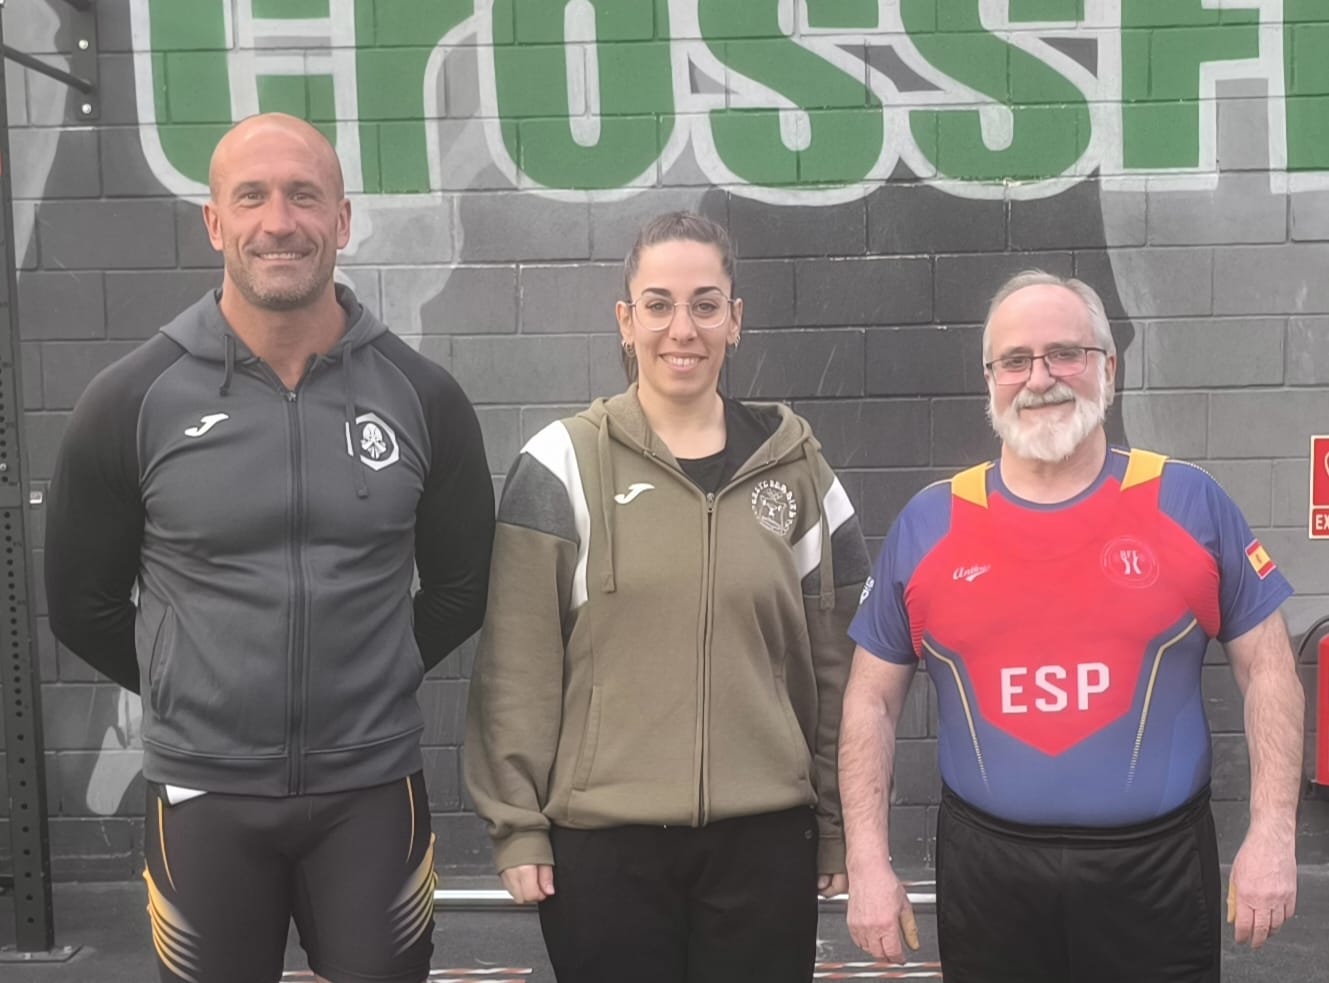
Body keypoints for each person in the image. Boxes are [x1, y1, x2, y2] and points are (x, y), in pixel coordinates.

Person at [44, 113, 495, 983]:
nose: (278, 221)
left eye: (304, 196)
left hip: (370, 789)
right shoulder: (130, 399)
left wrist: (369, 677)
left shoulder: (423, 397)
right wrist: (194, 686)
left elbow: (460, 588)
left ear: (342, 219)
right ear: (215, 223)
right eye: (251, 197)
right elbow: (81, 605)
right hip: (203, 795)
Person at [839, 270, 1304, 982]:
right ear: (989, 380)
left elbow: (1268, 668)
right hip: (988, 876)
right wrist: (867, 862)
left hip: (1155, 874)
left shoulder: (1187, 502)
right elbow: (869, 699)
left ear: (1108, 367)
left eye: (1065, 353)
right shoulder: (930, 522)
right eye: (1015, 360)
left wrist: (1272, 834)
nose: (1040, 378)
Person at [464, 211, 869, 982]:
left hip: (764, 842)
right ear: (626, 320)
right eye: (658, 304)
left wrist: (836, 823)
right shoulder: (559, 463)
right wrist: (517, 825)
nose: (681, 328)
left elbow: (839, 662)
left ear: (734, 320)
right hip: (603, 848)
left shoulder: (797, 470)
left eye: (704, 304)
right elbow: (516, 663)